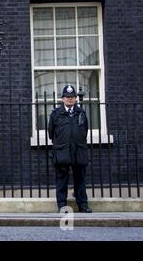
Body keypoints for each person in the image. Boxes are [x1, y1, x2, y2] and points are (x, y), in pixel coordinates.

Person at [48, 85, 92, 213]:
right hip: (63, 151)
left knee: (80, 180)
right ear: (62, 99)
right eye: (67, 97)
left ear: (76, 99)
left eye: (72, 97)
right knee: (62, 180)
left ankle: (83, 205)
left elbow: (85, 130)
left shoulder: (81, 113)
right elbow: (51, 133)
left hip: (78, 151)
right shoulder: (56, 114)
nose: (70, 99)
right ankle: (62, 206)